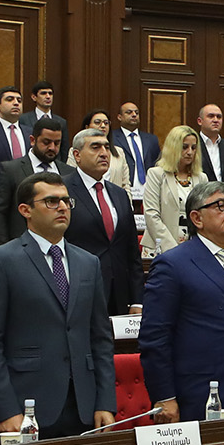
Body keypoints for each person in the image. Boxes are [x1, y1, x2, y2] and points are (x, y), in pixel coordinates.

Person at [0, 171, 117, 437]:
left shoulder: (89, 263)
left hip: (84, 406)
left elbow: (100, 337)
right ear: (25, 210)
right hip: (26, 405)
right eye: (51, 201)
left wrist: (105, 401)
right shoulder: (0, 261)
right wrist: (5, 410)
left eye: (65, 201)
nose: (62, 207)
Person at [139, 181, 224, 421]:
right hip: (199, 394)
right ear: (197, 219)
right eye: (221, 206)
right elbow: (155, 337)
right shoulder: (172, 264)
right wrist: (165, 396)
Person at [66, 130, 142, 313]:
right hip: (79, 291)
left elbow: (131, 251)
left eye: (107, 147)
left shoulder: (120, 194)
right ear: (77, 155)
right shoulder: (63, 190)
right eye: (95, 147)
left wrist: (137, 301)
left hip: (119, 294)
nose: (104, 153)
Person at [0, 119, 66, 245]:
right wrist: (4, 249)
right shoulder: (10, 170)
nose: (52, 148)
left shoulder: (67, 171)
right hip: (20, 247)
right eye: (46, 142)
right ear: (32, 140)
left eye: (57, 143)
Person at [143, 124, 207, 259]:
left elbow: (205, 214)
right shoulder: (157, 174)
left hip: (193, 247)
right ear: (173, 148)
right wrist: (173, 248)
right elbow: (151, 214)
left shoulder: (201, 178)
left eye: (194, 148)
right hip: (161, 246)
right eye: (184, 147)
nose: (190, 152)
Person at [112, 100, 159, 190]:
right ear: (119, 117)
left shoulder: (151, 139)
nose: (134, 115)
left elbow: (157, 163)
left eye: (136, 113)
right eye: (129, 112)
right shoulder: (112, 138)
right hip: (124, 188)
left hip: (148, 190)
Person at [192, 103, 224, 182]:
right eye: (211, 116)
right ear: (199, 121)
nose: (216, 120)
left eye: (219, 117)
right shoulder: (193, 145)